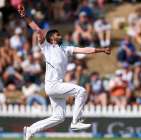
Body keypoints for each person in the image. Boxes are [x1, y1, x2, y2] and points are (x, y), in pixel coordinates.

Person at [17, 4, 111, 140]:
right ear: (51, 38)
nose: (60, 36)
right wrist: (25, 16)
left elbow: (83, 49)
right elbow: (37, 30)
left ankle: (31, 130)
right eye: (57, 34)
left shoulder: (66, 49)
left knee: (59, 117)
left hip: (56, 85)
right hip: (53, 85)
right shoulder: (46, 47)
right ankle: (76, 122)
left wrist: (100, 50)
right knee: (81, 91)